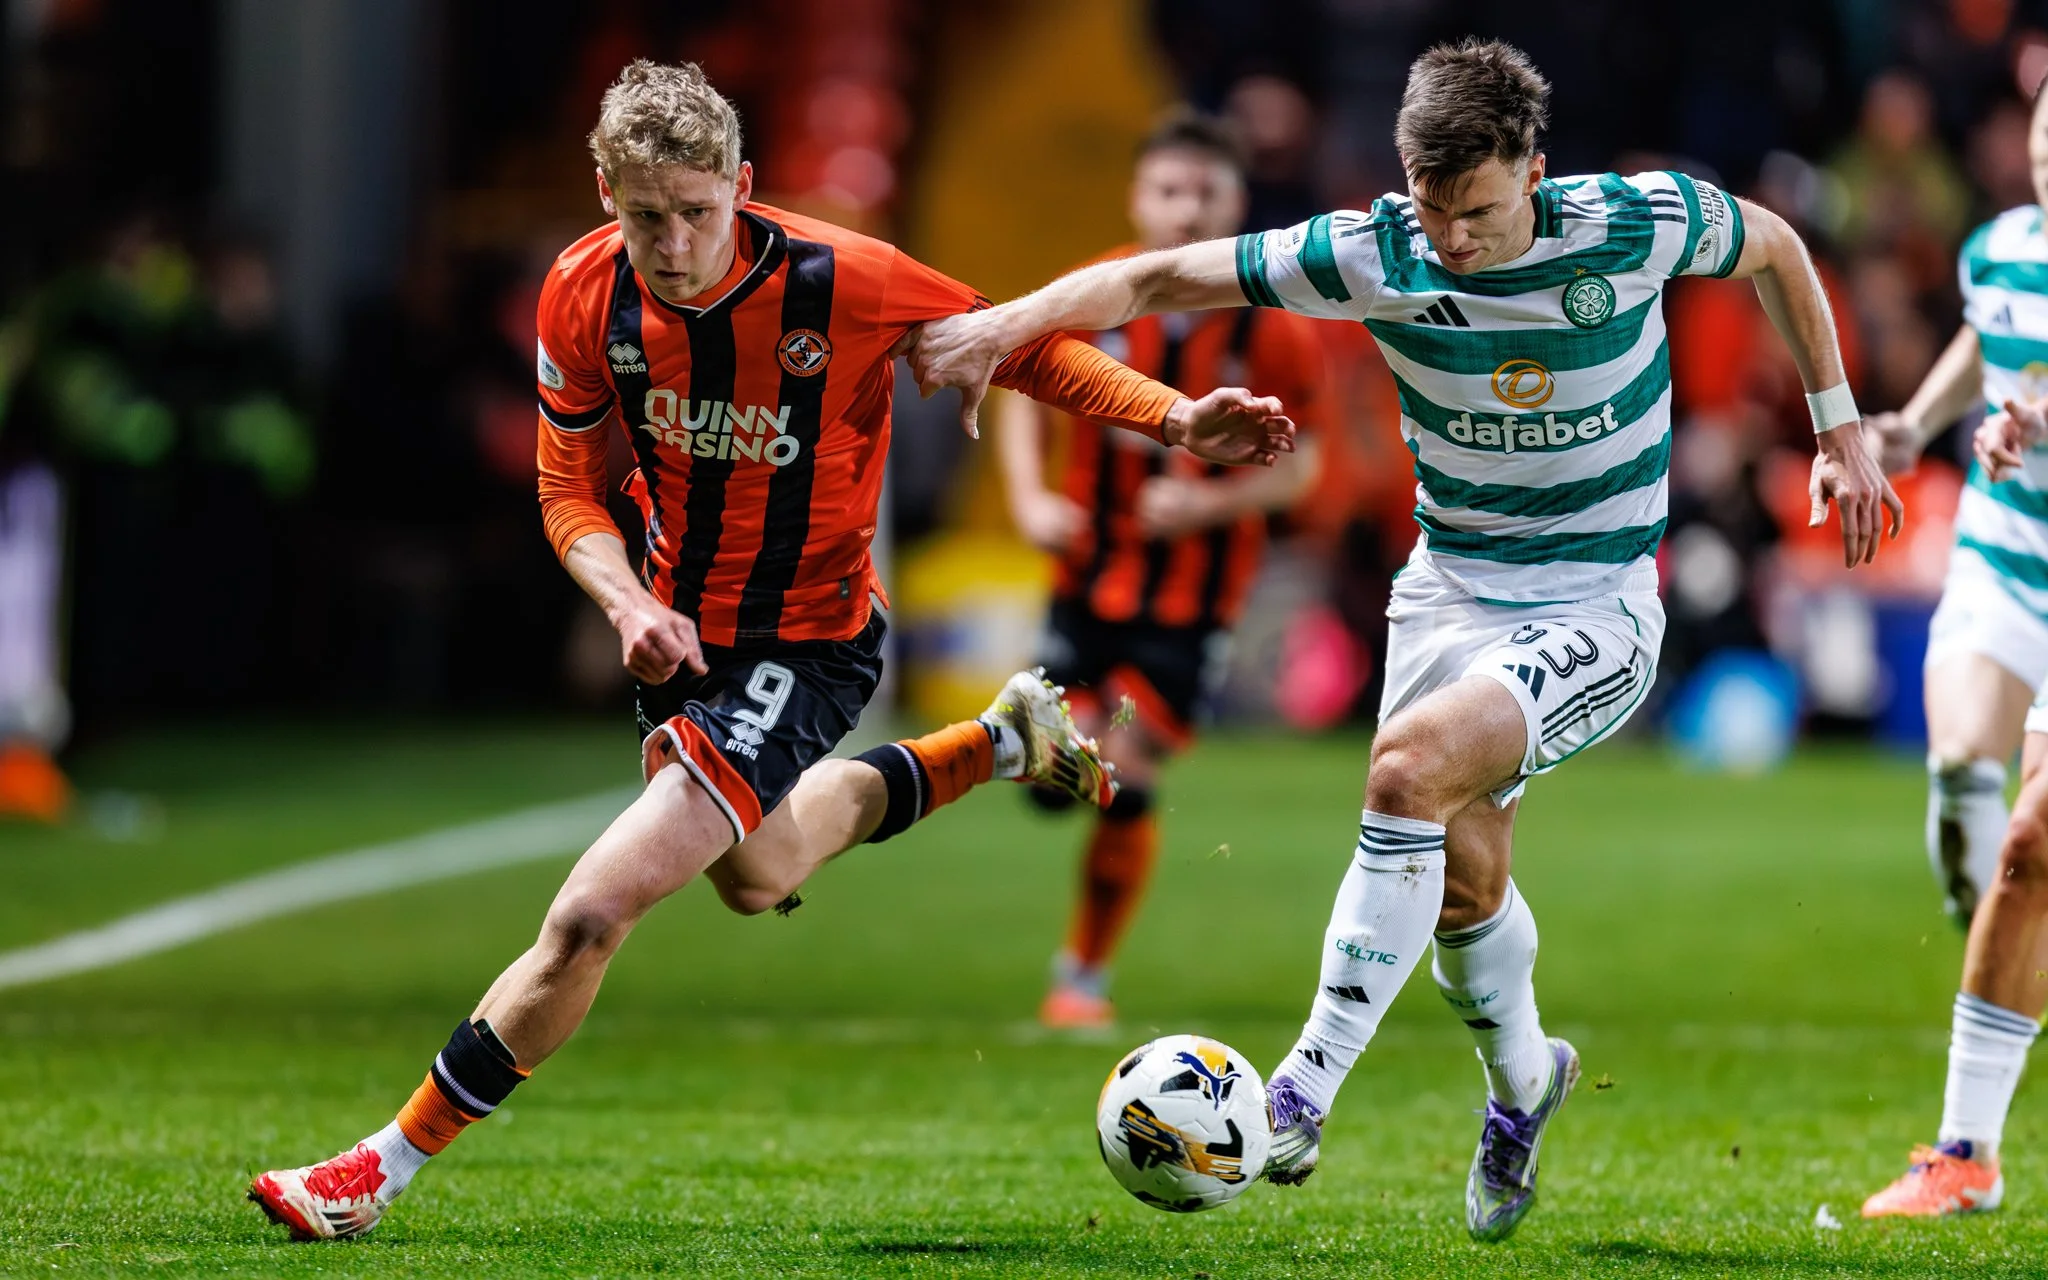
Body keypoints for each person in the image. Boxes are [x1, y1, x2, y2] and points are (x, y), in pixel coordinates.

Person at [246, 60, 1294, 1242]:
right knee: (759, 873)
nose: (677, 242)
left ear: (742, 185)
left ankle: (374, 1170)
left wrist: (1172, 417)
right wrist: (624, 603)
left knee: (593, 910)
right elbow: (566, 488)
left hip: (811, 637)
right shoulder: (581, 296)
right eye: (648, 215)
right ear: (604, 193)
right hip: (682, 636)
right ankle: (998, 739)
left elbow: (1020, 345)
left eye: (698, 211)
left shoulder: (841, 277)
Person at [910, 38, 1900, 1241]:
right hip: (1447, 593)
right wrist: (992, 327)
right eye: (1431, 209)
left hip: (1595, 599)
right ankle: (1527, 1081)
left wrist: (1835, 425)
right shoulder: (1369, 251)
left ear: (1533, 168)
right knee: (1461, 887)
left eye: (1476, 210)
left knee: (1401, 775)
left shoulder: (1633, 222)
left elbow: (1778, 245)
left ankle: (1298, 1091)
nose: (1450, 241)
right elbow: (1154, 280)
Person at [1000, 111, 1325, 1029]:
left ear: (1237, 204)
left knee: (1126, 772)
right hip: (1086, 578)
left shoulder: (1275, 328)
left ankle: (1081, 982)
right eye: (1170, 190)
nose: (1187, 210)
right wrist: (1029, 500)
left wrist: (1211, 503)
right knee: (1051, 773)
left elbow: (1307, 466)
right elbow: (1017, 385)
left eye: (1205, 193)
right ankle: (1070, 760)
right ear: (1139, 198)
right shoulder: (1089, 293)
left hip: (1191, 603)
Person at [1860, 97, 2048, 1216]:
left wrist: (2033, 414)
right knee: (1962, 792)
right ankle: (2007, 950)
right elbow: (1989, 337)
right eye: (2038, 136)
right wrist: (1916, 426)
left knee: (2027, 838)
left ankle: (1960, 1149)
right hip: (2002, 557)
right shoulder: (2002, 245)